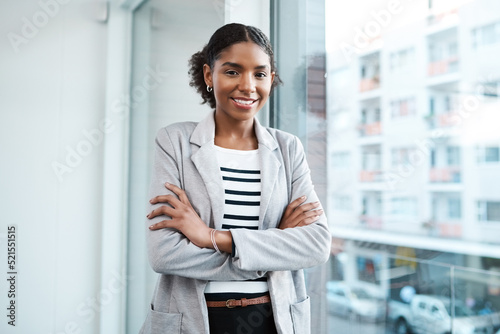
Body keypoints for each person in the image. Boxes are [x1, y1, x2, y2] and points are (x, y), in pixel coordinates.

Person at [139, 23, 331, 334]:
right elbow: (164, 254)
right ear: (208, 75)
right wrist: (273, 247)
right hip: (196, 320)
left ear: (270, 78)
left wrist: (210, 237)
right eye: (232, 72)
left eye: (259, 73)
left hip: (273, 320)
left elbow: (316, 245)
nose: (248, 85)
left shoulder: (287, 148)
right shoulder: (174, 140)